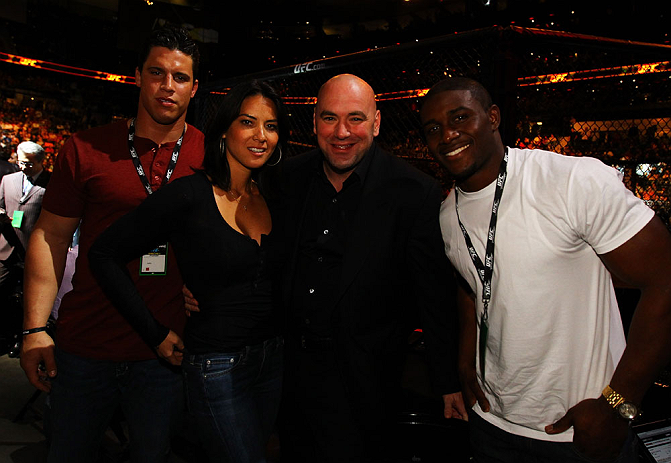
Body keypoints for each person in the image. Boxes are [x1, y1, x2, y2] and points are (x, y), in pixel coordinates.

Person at [419, 76, 671, 462]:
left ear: (493, 117)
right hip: (491, 425)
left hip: (580, 431)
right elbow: (471, 283)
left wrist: (617, 407)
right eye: (434, 128)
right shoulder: (447, 216)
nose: (447, 134)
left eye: (460, 117)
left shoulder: (570, 181)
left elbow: (665, 282)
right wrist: (465, 362)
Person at [19, 25, 204, 463]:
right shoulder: (86, 149)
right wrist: (34, 329)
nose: (167, 86)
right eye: (157, 73)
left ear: (194, 88)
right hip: (85, 349)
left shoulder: (209, 153)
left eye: (180, 77)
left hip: (166, 351)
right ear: (138, 76)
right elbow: (50, 237)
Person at [88, 80, 288, 463]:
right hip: (216, 366)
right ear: (225, 128)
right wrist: (155, 333)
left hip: (272, 361)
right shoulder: (188, 196)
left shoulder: (275, 196)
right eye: (248, 122)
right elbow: (105, 253)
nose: (261, 136)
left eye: (272, 125)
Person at [276, 74, 461, 462]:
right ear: (313, 123)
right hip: (286, 376)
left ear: (376, 123)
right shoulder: (284, 179)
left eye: (355, 119)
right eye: (329, 118)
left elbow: (434, 295)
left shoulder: (415, 192)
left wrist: (448, 381)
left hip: (365, 386)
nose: (342, 132)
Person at [0, 141, 50, 353]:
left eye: (29, 164)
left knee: (30, 301)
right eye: (20, 162)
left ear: (41, 162)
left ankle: (23, 339)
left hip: (34, 251)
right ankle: (5, 335)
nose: (23, 167)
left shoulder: (53, 183)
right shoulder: (8, 180)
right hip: (7, 249)